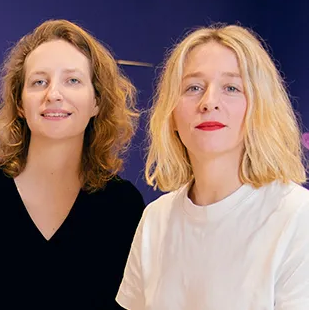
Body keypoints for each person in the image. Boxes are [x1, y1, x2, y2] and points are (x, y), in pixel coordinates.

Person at [0, 19, 146, 310]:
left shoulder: (122, 205)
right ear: (19, 104)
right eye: (39, 81)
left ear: (97, 103)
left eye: (73, 80)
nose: (53, 94)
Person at [116, 25, 309, 309]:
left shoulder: (297, 217)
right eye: (193, 88)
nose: (209, 102)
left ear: (260, 107)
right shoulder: (155, 219)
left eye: (231, 88)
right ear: (170, 112)